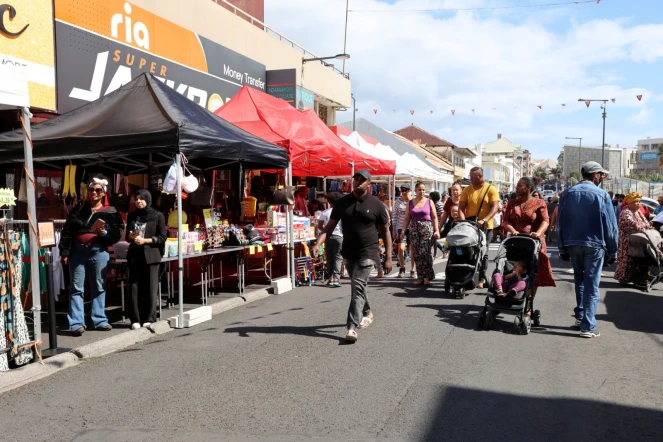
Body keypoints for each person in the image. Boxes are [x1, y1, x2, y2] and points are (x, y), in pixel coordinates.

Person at [312, 170, 392, 343]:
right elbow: (329, 227)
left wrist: (388, 257)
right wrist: (318, 244)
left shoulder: (377, 204)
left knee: (357, 288)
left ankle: (351, 327)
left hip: (368, 252)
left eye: (362, 180)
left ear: (369, 184)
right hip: (348, 252)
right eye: (355, 179)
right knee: (358, 287)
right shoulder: (343, 203)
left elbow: (386, 231)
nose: (357, 182)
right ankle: (367, 312)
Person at [558, 161, 618, 338]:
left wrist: (562, 247)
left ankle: (581, 316)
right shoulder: (602, 195)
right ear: (594, 175)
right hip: (594, 244)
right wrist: (613, 250)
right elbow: (610, 226)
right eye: (601, 174)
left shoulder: (567, 193)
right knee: (592, 285)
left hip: (573, 242)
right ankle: (587, 326)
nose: (601, 177)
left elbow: (561, 222)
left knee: (580, 280)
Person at [59, 177, 124, 336]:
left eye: (98, 190)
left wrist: (105, 233)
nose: (94, 192)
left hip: (98, 251)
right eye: (91, 190)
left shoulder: (111, 212)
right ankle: (76, 323)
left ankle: (100, 320)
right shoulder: (79, 208)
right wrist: (65, 251)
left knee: (99, 286)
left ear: (104, 193)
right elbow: (67, 230)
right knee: (76, 288)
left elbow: (116, 235)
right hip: (78, 251)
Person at [503, 177, 556, 305]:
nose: (516, 188)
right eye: (516, 186)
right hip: (517, 240)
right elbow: (506, 221)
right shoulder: (512, 203)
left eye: (520, 186)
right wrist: (512, 230)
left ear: (528, 188)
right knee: (514, 268)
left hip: (534, 242)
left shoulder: (539, 202)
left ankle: (528, 302)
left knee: (533, 272)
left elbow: (545, 221)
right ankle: (512, 293)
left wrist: (537, 233)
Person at [126, 189, 167, 329]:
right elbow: (127, 237)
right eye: (136, 198)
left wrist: (146, 241)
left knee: (150, 287)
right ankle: (135, 319)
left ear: (148, 200)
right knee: (134, 287)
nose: (138, 201)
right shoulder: (132, 216)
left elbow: (162, 237)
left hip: (151, 255)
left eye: (142, 198)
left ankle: (149, 318)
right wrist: (131, 237)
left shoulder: (158, 216)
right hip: (134, 255)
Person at [458, 167, 500, 288]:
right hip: (470, 226)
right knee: (468, 250)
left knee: (483, 252)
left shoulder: (491, 189)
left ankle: (482, 278)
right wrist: (462, 221)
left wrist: (485, 219)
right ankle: (466, 276)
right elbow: (461, 208)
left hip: (486, 226)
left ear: (480, 177)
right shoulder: (467, 190)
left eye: (472, 177)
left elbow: (495, 207)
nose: (470, 178)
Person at [402, 182, 440, 286]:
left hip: (426, 228)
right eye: (420, 190)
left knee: (425, 252)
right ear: (415, 191)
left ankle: (427, 276)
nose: (422, 192)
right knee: (416, 253)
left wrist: (437, 230)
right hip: (414, 229)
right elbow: (406, 218)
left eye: (423, 190)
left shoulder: (429, 202)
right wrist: (403, 231)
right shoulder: (410, 203)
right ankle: (420, 277)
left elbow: (434, 217)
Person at [614, 193, 652, 284]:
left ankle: (634, 277)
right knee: (626, 259)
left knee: (635, 259)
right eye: (636, 202)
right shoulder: (626, 212)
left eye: (639, 201)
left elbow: (645, 223)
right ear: (629, 203)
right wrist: (644, 226)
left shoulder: (638, 211)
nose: (638, 203)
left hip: (637, 240)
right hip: (627, 241)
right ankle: (623, 278)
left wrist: (649, 225)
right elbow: (633, 224)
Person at [317, 192, 343, 287]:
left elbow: (319, 225)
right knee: (338, 257)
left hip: (327, 237)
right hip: (339, 236)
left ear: (329, 201)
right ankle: (336, 278)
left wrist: (325, 231)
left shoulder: (325, 212)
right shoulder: (341, 212)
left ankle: (330, 277)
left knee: (330, 257)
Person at [392, 184, 416, 278]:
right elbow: (394, 216)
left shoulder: (413, 201)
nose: (404, 192)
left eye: (406, 190)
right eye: (402, 190)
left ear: (410, 191)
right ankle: (402, 267)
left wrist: (410, 200)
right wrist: (394, 230)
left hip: (412, 227)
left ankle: (413, 269)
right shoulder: (397, 202)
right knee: (401, 248)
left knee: (412, 250)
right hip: (401, 228)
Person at [429, 191, 445, 258]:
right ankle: (443, 251)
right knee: (433, 239)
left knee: (434, 239)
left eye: (430, 196)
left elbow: (442, 215)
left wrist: (439, 225)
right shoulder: (433, 203)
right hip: (433, 224)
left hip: (437, 224)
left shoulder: (438, 204)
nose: (429, 197)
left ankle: (435, 254)